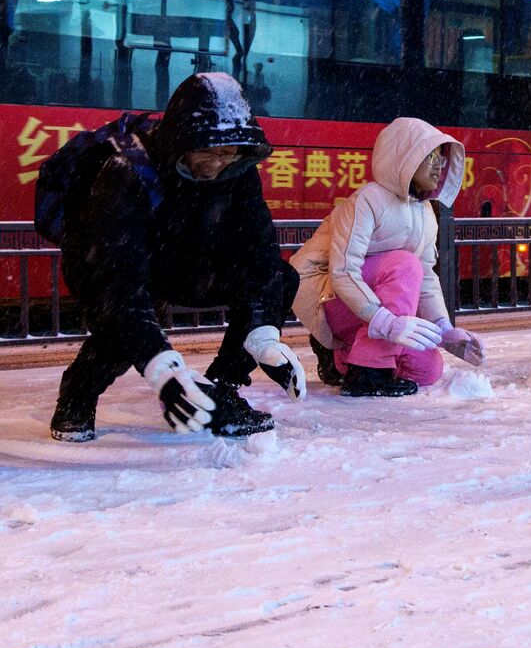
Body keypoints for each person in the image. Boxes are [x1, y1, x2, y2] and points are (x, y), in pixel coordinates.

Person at [49, 72, 306, 442]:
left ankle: (221, 389)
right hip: (116, 268)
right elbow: (117, 284)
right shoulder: (128, 172)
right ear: (181, 140)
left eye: (227, 153)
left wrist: (263, 336)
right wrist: (163, 370)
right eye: (207, 152)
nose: (216, 165)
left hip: (188, 263)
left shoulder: (239, 172)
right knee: (126, 322)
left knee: (281, 278)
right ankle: (77, 393)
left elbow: (260, 253)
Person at [291, 117, 485, 397]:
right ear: (403, 158)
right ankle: (368, 373)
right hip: (324, 294)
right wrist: (386, 322)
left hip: (368, 304)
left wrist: (444, 330)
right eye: (427, 156)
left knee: (427, 368)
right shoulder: (368, 200)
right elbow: (344, 271)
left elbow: (427, 277)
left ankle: (340, 360)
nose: (437, 165)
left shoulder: (426, 213)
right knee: (405, 265)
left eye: (439, 158)